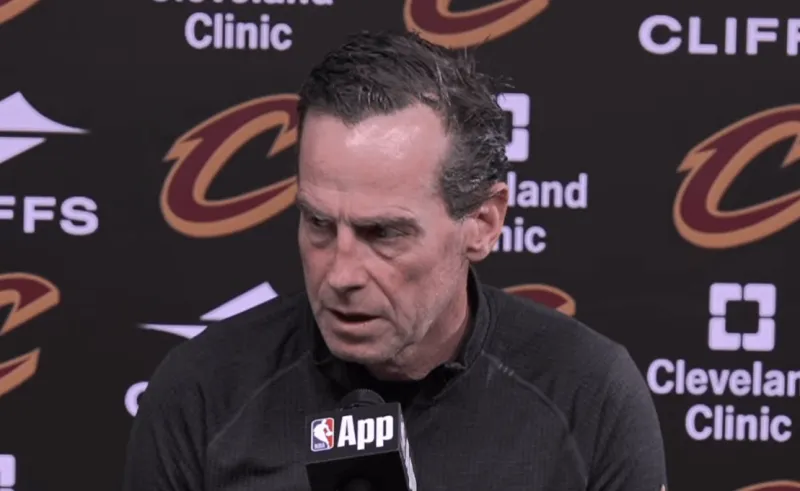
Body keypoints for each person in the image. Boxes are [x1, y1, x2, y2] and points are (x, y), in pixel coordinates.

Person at [122, 30, 668, 491]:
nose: (340, 275)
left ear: (482, 222)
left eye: (382, 233)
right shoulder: (203, 392)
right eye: (318, 224)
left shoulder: (588, 394)